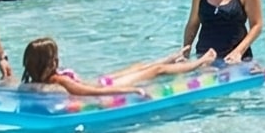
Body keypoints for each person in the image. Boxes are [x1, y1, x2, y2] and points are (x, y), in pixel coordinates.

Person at [17, 35, 204, 99]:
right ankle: (198, 63)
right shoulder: (61, 80)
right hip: (102, 85)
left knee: (138, 66)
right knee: (155, 71)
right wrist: (130, 90)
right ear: (49, 62)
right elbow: (89, 93)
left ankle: (170, 58)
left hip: (100, 81)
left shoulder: (36, 79)